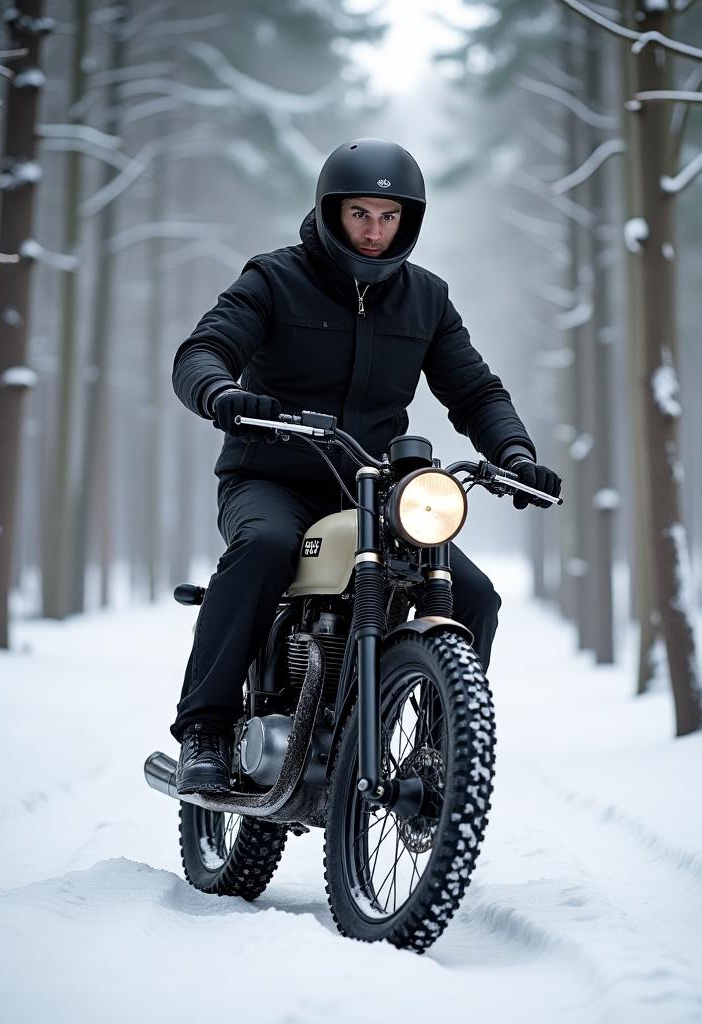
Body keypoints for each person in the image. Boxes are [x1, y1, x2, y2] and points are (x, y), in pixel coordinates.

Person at [171, 138, 561, 795]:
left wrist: (514, 453)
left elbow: (475, 392)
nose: (375, 231)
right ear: (330, 211)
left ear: (409, 221)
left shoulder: (426, 299)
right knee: (264, 547)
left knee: (474, 595)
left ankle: (438, 754)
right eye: (360, 214)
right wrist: (222, 393)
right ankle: (206, 730)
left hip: (370, 487)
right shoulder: (273, 279)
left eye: (389, 217)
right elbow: (204, 349)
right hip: (269, 475)